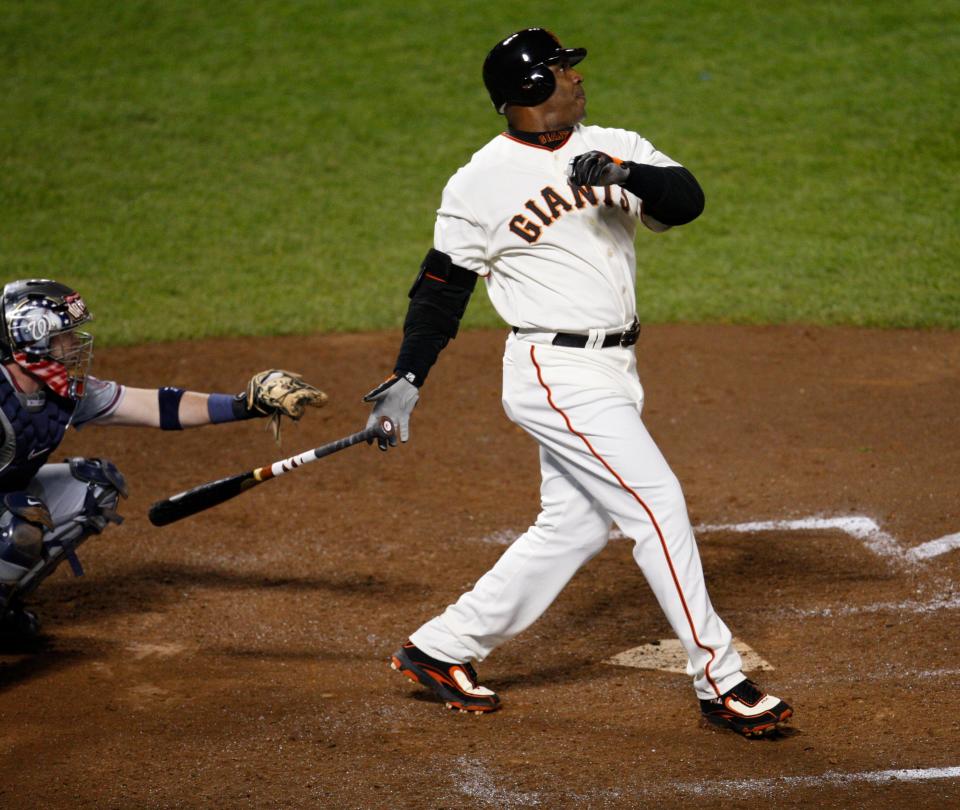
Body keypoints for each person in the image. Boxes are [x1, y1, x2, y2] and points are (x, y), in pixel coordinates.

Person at [364, 28, 795, 738]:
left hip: (615, 367)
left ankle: (440, 648)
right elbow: (441, 286)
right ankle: (721, 682)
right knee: (657, 504)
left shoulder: (615, 142)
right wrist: (409, 374)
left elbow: (686, 200)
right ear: (531, 88)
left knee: (575, 522)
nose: (577, 78)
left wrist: (625, 174)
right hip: (553, 370)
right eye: (563, 70)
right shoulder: (478, 182)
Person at [0, 278, 327, 638]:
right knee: (17, 527)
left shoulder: (64, 392)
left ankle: (5, 608)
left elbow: (156, 406)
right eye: (65, 337)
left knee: (94, 488)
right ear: (34, 339)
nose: (76, 344)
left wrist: (243, 405)